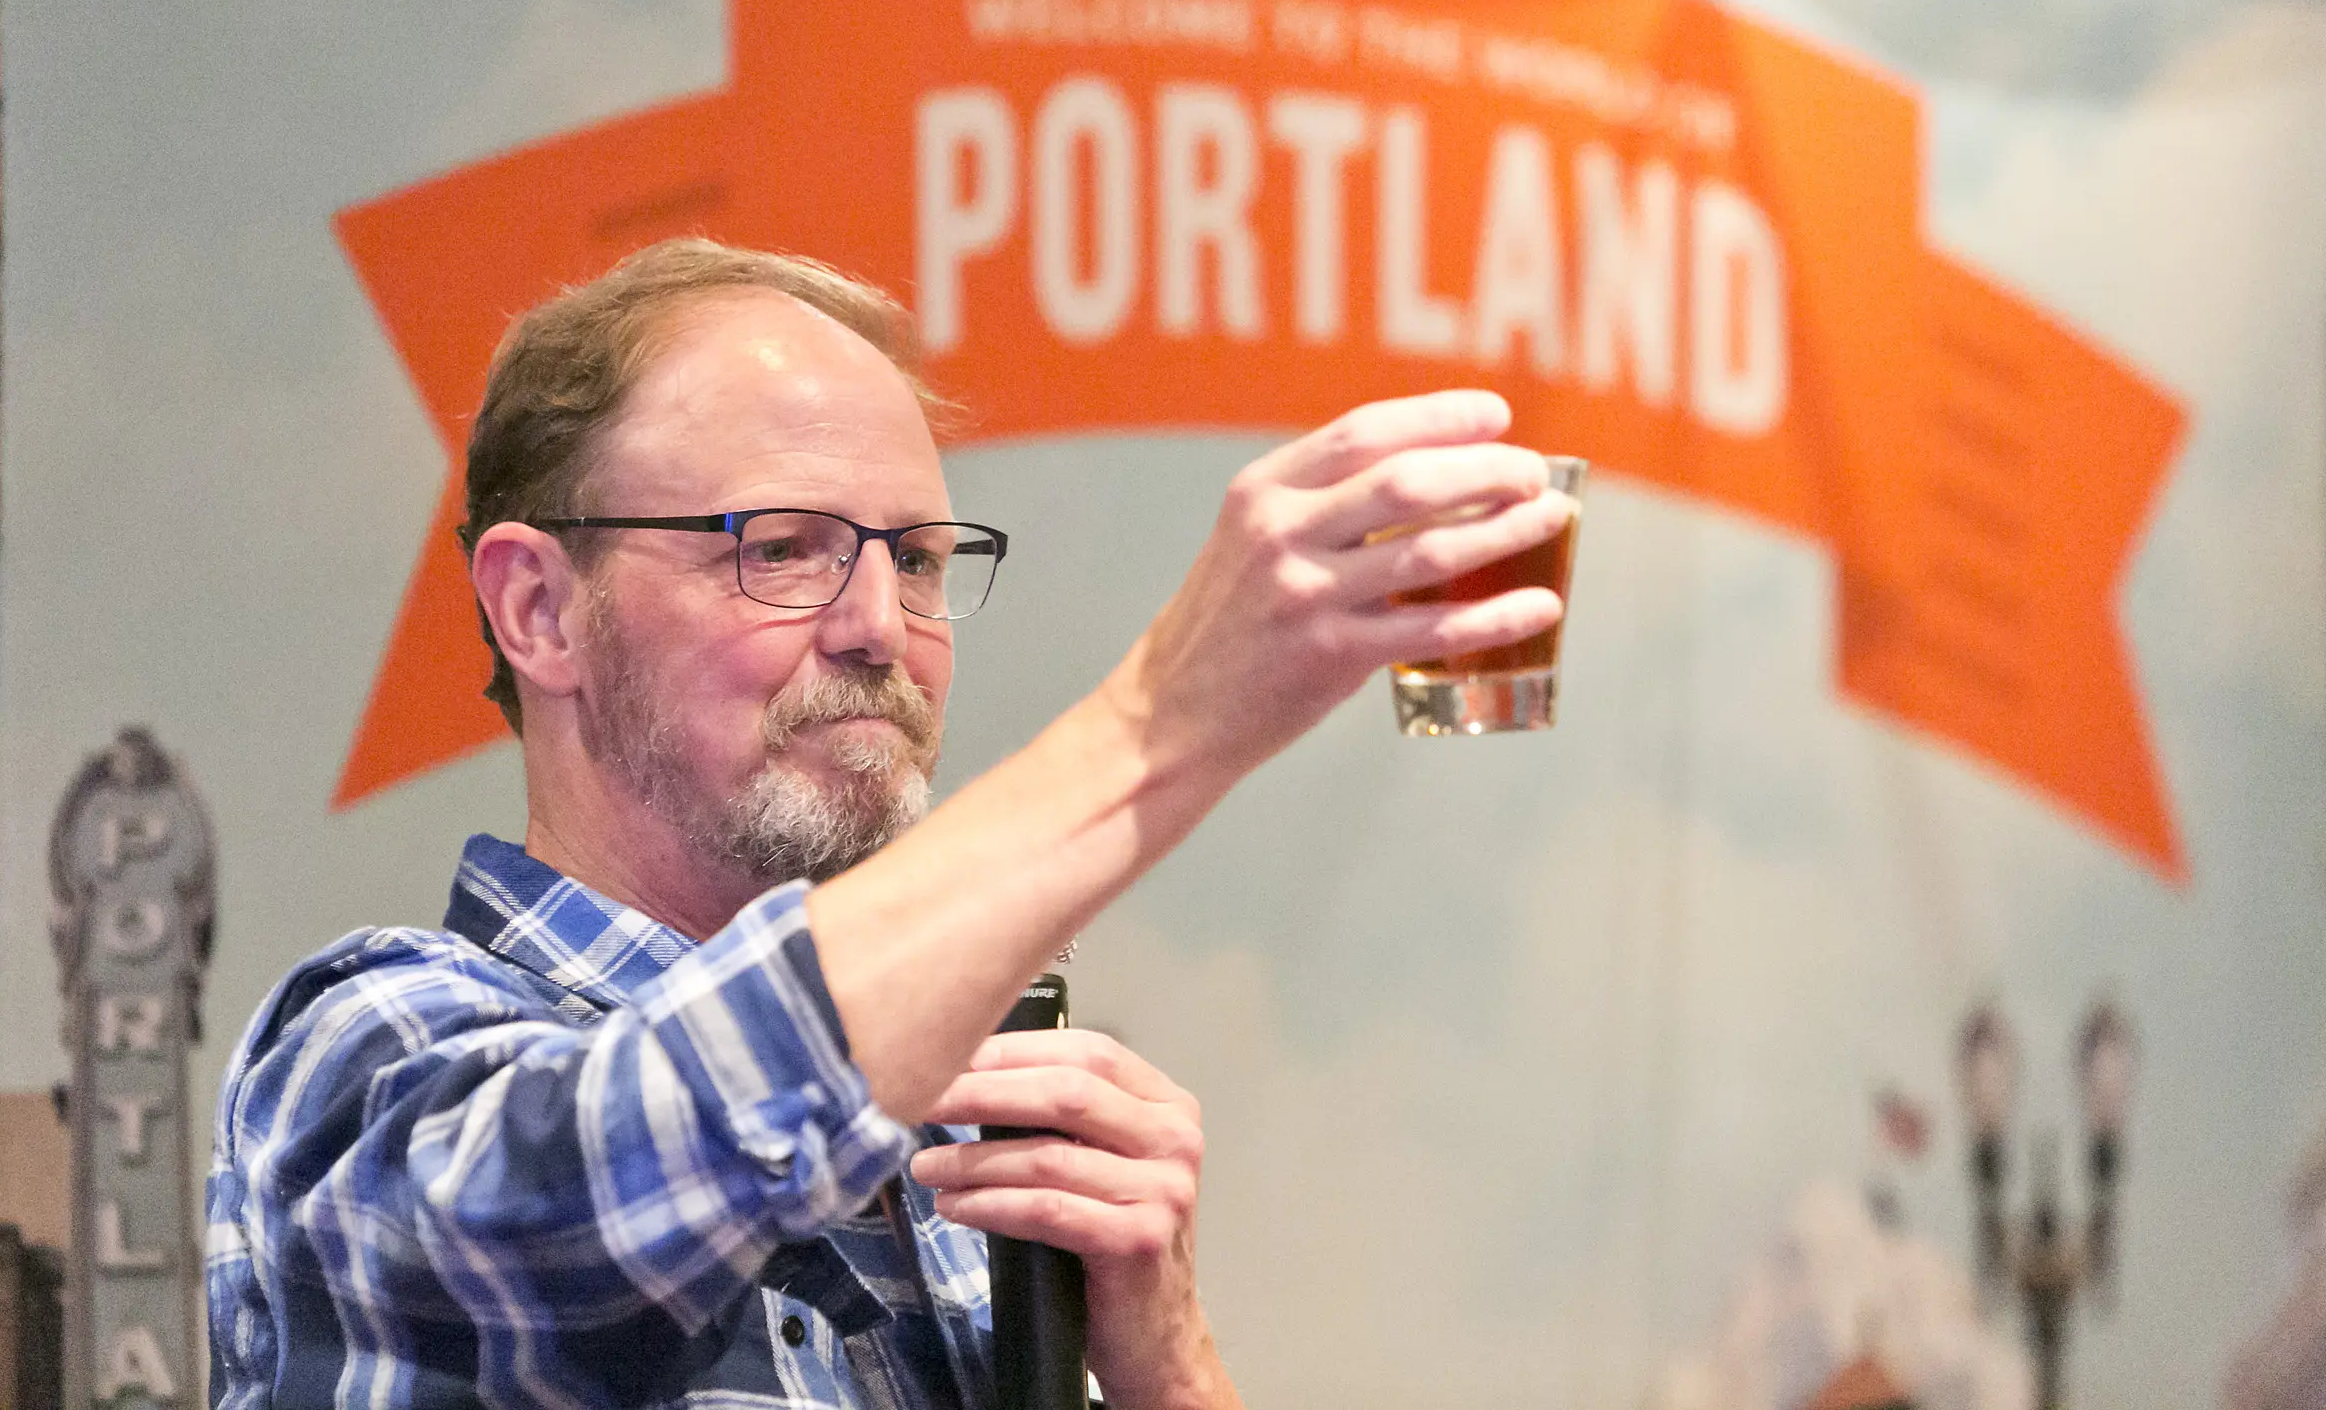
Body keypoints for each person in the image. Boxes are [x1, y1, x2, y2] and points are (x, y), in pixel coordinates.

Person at [206, 240, 1572, 1408]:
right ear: (540, 610)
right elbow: (592, 1192)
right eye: (780, 548)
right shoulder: (374, 1053)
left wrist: (1168, 1365)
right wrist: (1158, 723)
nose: (878, 628)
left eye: (914, 559)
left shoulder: (966, 1157)